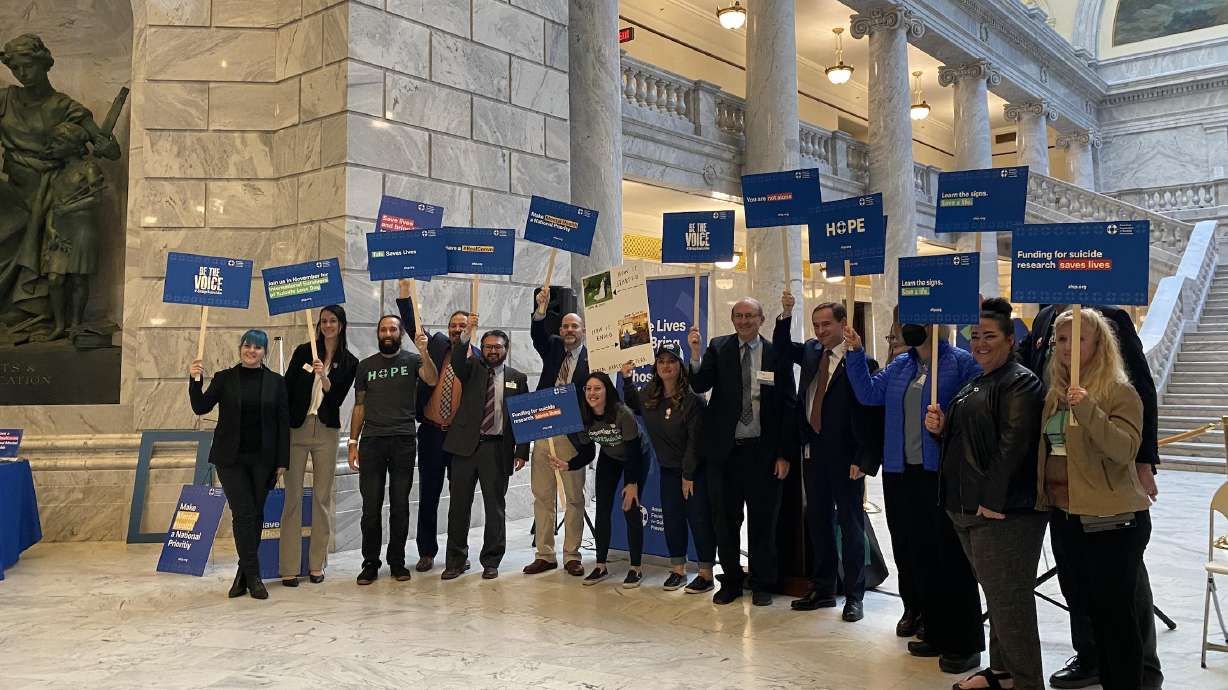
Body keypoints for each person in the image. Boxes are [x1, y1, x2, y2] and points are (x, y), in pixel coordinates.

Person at [1018, 303, 1162, 690]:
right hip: (1068, 517)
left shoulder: (1119, 392)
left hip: (1113, 521)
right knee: (1089, 612)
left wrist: (1089, 409)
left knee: (1117, 619)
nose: (1067, 347)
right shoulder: (1055, 395)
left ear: (1099, 344)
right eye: (1061, 340)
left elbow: (1123, 450)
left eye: (1078, 339)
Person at [844, 321, 984, 674]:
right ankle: (932, 628)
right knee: (914, 552)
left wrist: (947, 419)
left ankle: (962, 639)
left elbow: (979, 405)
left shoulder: (960, 362)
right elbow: (867, 393)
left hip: (936, 473)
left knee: (947, 555)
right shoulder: (901, 365)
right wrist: (856, 352)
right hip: (900, 472)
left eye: (921, 321)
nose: (912, 328)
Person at [924, 299, 1048, 690]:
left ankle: (1028, 682)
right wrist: (940, 427)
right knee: (998, 598)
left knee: (1011, 604)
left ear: (1010, 340)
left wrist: (993, 500)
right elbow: (973, 441)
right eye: (975, 336)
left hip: (1003, 512)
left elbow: (1015, 445)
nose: (979, 343)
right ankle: (1002, 674)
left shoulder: (1021, 382)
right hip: (966, 509)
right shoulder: (977, 381)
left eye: (989, 336)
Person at [773, 293, 880, 622]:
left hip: (846, 457)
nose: (820, 331)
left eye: (827, 325)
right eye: (816, 325)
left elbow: (869, 416)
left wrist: (863, 459)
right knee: (817, 523)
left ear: (842, 324)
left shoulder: (860, 361)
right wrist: (786, 315)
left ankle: (854, 595)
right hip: (812, 453)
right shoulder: (810, 351)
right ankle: (822, 587)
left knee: (850, 525)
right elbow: (780, 350)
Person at [687, 297, 798, 606]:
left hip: (763, 453)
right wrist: (694, 353)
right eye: (739, 316)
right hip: (725, 455)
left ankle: (763, 583)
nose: (745, 321)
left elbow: (788, 403)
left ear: (762, 319)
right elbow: (699, 383)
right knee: (725, 521)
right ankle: (732, 581)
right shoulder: (718, 346)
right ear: (732, 319)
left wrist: (784, 454)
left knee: (763, 522)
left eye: (751, 315)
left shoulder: (776, 352)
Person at [188, 330, 289, 601]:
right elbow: (200, 407)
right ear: (240, 348)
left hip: (263, 459)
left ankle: (242, 574)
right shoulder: (224, 379)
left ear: (265, 352)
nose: (251, 351)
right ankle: (254, 577)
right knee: (243, 513)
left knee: (255, 514)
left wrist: (282, 461)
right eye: (247, 346)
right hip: (230, 459)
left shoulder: (277, 382)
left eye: (257, 347)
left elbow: (283, 423)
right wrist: (194, 379)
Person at [347, 314, 438, 586]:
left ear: (400, 333)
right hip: (372, 442)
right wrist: (353, 442)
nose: (388, 333)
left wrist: (424, 349)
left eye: (393, 329)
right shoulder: (365, 366)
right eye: (383, 329)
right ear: (378, 334)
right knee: (370, 507)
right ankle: (370, 563)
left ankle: (397, 561)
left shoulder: (413, 360)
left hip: (403, 441)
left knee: (400, 505)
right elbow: (359, 405)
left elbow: (432, 380)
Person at [396, 278, 478, 572]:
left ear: (471, 329)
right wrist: (405, 290)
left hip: (460, 439)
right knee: (428, 495)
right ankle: (427, 552)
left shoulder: (478, 359)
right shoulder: (435, 345)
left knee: (460, 500)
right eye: (454, 325)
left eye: (463, 326)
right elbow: (410, 323)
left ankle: (459, 552)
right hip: (431, 433)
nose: (457, 329)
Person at [620, 342, 716, 593]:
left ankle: (706, 574)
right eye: (661, 361)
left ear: (680, 366)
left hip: (693, 471)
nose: (666, 366)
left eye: (671, 361)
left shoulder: (693, 399)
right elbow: (632, 402)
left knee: (698, 519)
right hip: (667, 471)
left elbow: (696, 441)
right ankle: (678, 570)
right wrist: (627, 378)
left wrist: (688, 474)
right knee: (673, 520)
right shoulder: (650, 395)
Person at [440, 323, 530, 580]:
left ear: (506, 349)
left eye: (497, 347)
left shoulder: (517, 378)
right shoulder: (471, 369)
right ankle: (456, 561)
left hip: (497, 449)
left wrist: (521, 451)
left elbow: (521, 417)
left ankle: (491, 560)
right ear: (482, 349)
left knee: (495, 508)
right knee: (458, 507)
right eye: (488, 346)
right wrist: (466, 336)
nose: (492, 351)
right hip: (465, 449)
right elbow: (457, 359)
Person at [279, 305, 358, 586]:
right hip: (297, 428)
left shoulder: (350, 362)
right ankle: (288, 566)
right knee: (293, 498)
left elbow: (336, 399)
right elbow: (287, 388)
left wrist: (323, 376)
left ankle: (316, 564)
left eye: (332, 321)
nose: (327, 325)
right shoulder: (303, 351)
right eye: (323, 321)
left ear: (341, 324)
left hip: (326, 430)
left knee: (322, 499)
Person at [552, 371, 646, 588]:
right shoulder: (584, 416)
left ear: (607, 391)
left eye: (597, 388)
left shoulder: (623, 414)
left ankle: (636, 568)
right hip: (609, 456)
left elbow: (633, 453)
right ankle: (601, 565)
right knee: (602, 509)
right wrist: (569, 464)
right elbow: (588, 453)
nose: (592, 393)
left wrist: (632, 484)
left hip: (635, 457)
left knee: (630, 508)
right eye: (588, 389)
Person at [524, 288, 592, 577]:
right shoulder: (552, 346)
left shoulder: (594, 358)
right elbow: (538, 333)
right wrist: (541, 309)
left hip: (574, 434)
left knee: (574, 497)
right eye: (565, 326)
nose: (568, 330)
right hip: (543, 427)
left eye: (574, 326)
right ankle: (545, 554)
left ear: (584, 331)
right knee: (542, 494)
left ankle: (572, 555)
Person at [37, 122, 104, 341]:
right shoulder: (57, 175)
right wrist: (50, 228)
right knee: (55, 278)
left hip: (82, 228)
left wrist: (69, 208)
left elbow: (96, 197)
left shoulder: (89, 168)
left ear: (72, 145)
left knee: (78, 278)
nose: (53, 146)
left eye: (58, 142)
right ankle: (59, 325)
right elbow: (52, 207)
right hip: (61, 229)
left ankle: (75, 324)